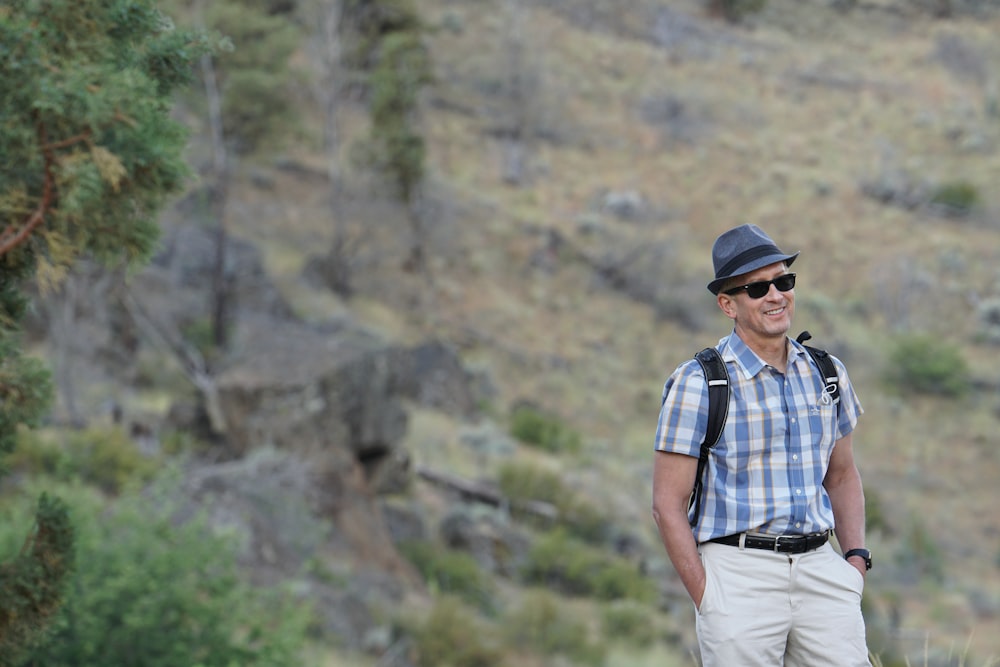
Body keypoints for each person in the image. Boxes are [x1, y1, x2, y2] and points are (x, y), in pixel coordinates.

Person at [651, 224, 871, 666]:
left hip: (822, 570)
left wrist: (854, 565)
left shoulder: (828, 373)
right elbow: (666, 504)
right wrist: (707, 595)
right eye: (757, 288)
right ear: (728, 304)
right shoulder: (698, 383)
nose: (776, 295)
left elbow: (842, 475)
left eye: (783, 281)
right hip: (737, 576)